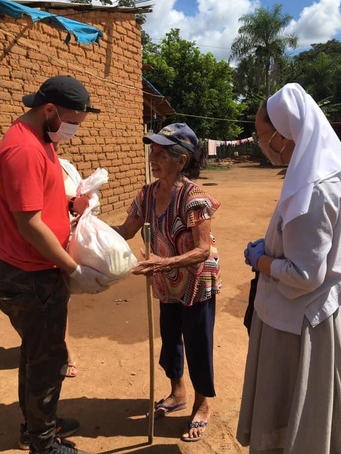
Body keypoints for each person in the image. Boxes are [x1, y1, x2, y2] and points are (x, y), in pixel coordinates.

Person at [237, 83, 341, 453]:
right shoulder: (319, 177)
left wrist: (262, 260)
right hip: (307, 316)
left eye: (263, 135)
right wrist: (270, 245)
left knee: (293, 415)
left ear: (286, 132)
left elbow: (305, 276)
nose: (261, 144)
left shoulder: (314, 190)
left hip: (297, 324)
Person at [0, 75, 106, 454]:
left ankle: (38, 424)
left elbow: (40, 204)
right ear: (50, 110)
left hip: (36, 273)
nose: (73, 130)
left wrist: (72, 206)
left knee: (36, 353)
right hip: (31, 277)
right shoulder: (23, 149)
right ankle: (43, 443)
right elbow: (29, 224)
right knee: (47, 360)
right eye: (72, 122)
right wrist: (73, 270)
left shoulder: (41, 139)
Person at [113, 122, 222, 442]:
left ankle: (202, 405)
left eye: (162, 153)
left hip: (196, 280)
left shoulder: (195, 198)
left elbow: (203, 250)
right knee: (171, 339)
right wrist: (87, 225)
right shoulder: (146, 194)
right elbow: (127, 230)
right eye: (152, 152)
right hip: (165, 279)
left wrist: (164, 263)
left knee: (198, 343)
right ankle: (178, 393)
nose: (153, 158)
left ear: (182, 160)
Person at [58, 154, 83, 378]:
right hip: (47, 243)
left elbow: (81, 197)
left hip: (70, 240)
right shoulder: (33, 162)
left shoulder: (67, 165)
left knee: (63, 295)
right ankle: (62, 346)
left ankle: (61, 343)